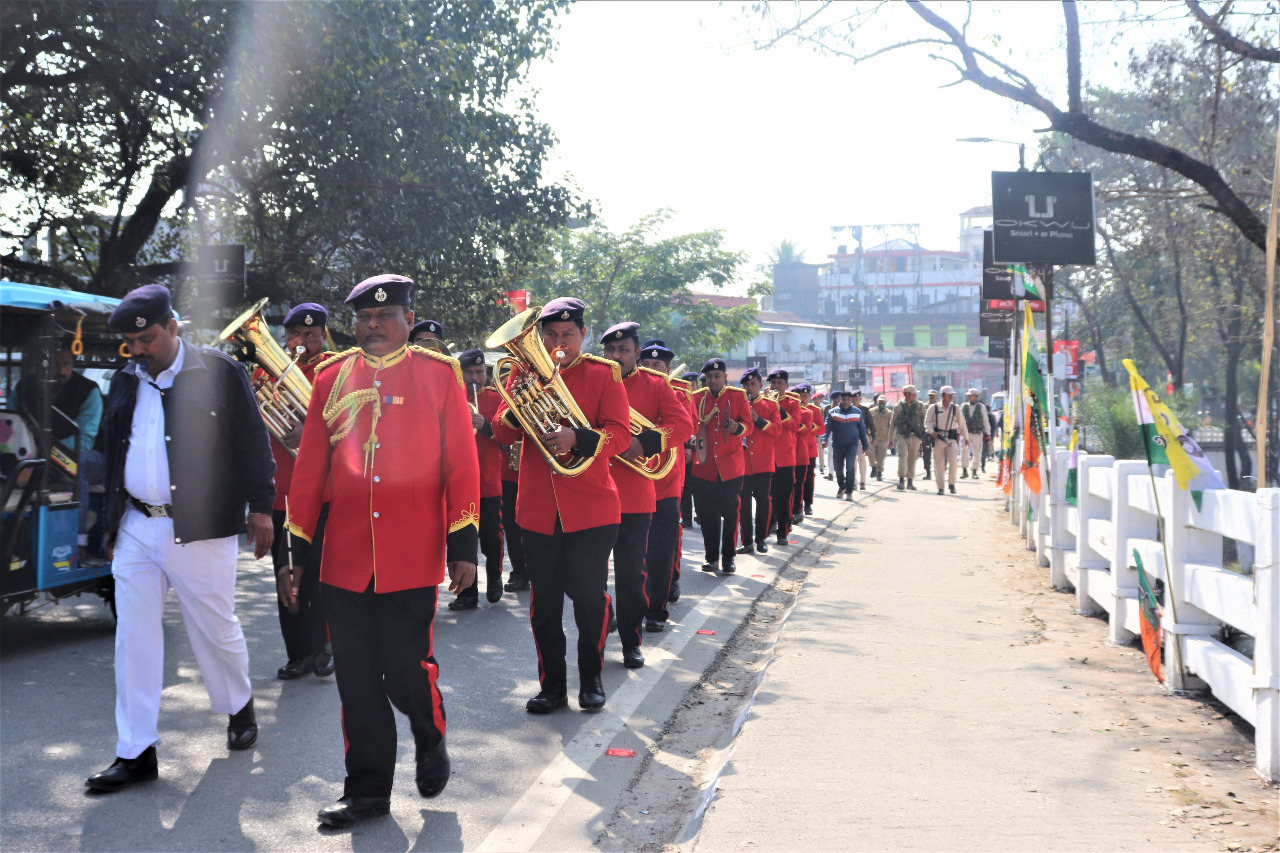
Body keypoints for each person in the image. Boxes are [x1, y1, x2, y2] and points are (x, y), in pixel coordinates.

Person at [285, 275, 478, 828]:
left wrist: (463, 543)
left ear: (406, 317)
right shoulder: (331, 376)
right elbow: (309, 470)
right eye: (364, 319)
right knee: (357, 679)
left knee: (403, 666)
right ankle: (367, 791)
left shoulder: (438, 374)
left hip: (411, 551)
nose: (373, 326)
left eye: (385, 316)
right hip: (343, 557)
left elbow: (461, 463)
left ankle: (429, 730)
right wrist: (295, 552)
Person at [86, 284, 275, 794]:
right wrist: (108, 526)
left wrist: (262, 507)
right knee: (134, 639)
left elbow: (253, 442)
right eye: (131, 343)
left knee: (215, 627)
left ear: (172, 326)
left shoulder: (219, 372)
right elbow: (112, 450)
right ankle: (135, 751)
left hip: (201, 526)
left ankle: (237, 705)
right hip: (136, 528)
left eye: (147, 338)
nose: (139, 350)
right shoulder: (126, 380)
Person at [490, 297, 631, 714]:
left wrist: (578, 438)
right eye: (549, 334)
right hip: (537, 510)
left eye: (567, 334)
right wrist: (518, 411)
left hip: (591, 509)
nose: (558, 342)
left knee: (589, 600)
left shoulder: (603, 374)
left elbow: (621, 436)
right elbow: (500, 431)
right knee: (545, 604)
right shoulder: (521, 373)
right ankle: (552, 686)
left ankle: (591, 679)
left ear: (583, 335)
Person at [600, 324, 693, 666]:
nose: (616, 356)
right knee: (583, 574)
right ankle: (602, 617)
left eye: (623, 349)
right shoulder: (592, 380)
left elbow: (684, 425)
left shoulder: (656, 385)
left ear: (636, 354)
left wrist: (644, 442)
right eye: (610, 350)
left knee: (630, 574)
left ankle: (629, 642)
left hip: (636, 495)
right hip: (592, 492)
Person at [262, 303, 334, 680]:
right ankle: (298, 653)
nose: (302, 341)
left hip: (322, 493)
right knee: (285, 576)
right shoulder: (267, 370)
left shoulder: (335, 370)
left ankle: (324, 645)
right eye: (295, 335)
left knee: (320, 574)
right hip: (281, 493)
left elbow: (348, 424)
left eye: (310, 334)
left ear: (323, 334)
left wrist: (310, 429)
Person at [17, 341, 105, 534]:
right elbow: (13, 424)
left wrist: (45, 452)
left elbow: (85, 438)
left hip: (93, 456)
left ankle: (76, 538)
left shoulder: (89, 391)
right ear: (44, 366)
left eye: (67, 364)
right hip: (36, 453)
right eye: (56, 364)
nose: (62, 370)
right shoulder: (25, 387)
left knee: (72, 464)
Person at [638, 340, 695, 621]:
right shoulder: (627, 390)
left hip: (666, 481)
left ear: (668, 369)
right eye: (646, 365)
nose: (652, 370)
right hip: (635, 479)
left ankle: (656, 611)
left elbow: (686, 427)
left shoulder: (680, 395)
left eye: (657, 366)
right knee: (635, 554)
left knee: (660, 552)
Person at [449, 348, 506, 610]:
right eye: (469, 372)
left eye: (480, 372)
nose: (475, 377)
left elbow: (509, 438)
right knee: (462, 541)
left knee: (492, 539)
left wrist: (486, 426)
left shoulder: (498, 398)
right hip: (458, 485)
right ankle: (466, 594)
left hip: (488, 483)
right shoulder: (451, 396)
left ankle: (494, 579)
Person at [690, 358, 753, 574]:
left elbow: (749, 427)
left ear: (725, 377)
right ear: (705, 379)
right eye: (709, 377)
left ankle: (728, 558)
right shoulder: (697, 398)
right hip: (704, 466)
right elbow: (689, 426)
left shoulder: (738, 396)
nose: (713, 380)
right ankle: (711, 558)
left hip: (731, 467)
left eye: (717, 376)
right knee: (708, 515)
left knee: (730, 512)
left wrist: (737, 427)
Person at [737, 367, 781, 553]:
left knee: (763, 501)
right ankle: (747, 542)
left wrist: (759, 420)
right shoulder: (738, 404)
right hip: (743, 464)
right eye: (746, 384)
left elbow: (778, 430)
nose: (749, 388)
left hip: (763, 462)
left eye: (753, 384)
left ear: (760, 385)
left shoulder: (771, 406)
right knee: (744, 503)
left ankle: (761, 539)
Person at [765, 369, 802, 546]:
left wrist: (778, 408)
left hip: (785, 457)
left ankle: (783, 531)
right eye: (773, 383)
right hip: (766, 456)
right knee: (767, 495)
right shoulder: (763, 400)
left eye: (780, 383)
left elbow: (795, 426)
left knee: (783, 497)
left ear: (786, 386)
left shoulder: (793, 402)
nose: (776, 386)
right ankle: (767, 528)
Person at [825, 391, 868, 500]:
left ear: (851, 400)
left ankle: (849, 492)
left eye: (848, 400)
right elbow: (827, 428)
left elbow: (862, 430)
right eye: (844, 399)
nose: (846, 402)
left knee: (850, 468)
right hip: (837, 445)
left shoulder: (857, 412)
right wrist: (824, 439)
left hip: (851, 445)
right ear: (840, 400)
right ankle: (841, 487)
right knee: (838, 469)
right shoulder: (832, 412)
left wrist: (865, 445)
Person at [925, 385, 962, 495]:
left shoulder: (956, 408)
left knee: (953, 461)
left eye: (952, 395)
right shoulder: (933, 408)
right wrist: (932, 432)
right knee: (939, 464)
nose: (951, 397)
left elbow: (962, 424)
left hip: (951, 439)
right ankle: (940, 487)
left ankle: (952, 484)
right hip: (938, 439)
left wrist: (966, 438)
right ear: (942, 395)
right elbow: (927, 422)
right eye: (949, 395)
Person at [889, 384, 925, 491]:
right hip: (902, 436)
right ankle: (901, 481)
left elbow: (925, 421)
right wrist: (891, 439)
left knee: (913, 458)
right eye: (914, 394)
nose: (915, 396)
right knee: (902, 456)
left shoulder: (921, 406)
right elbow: (892, 424)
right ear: (907, 394)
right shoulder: (898, 406)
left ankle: (910, 481)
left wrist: (925, 436)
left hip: (916, 436)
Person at [789, 384, 814, 524]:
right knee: (786, 487)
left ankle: (798, 510)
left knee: (798, 484)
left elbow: (805, 430)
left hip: (800, 455)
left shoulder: (806, 413)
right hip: (786, 455)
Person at [799, 385, 825, 514]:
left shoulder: (815, 410)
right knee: (797, 479)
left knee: (809, 478)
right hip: (797, 449)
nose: (803, 399)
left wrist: (810, 425)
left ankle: (808, 503)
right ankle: (797, 505)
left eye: (805, 396)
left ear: (809, 397)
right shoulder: (794, 409)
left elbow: (821, 429)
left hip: (809, 449)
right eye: (801, 396)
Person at [960, 388, 991, 480]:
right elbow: (960, 419)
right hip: (966, 433)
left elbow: (985, 420)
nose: (970, 397)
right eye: (969, 395)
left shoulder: (981, 407)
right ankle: (964, 470)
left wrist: (988, 433)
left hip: (978, 433)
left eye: (971, 395)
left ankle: (974, 471)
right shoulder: (964, 406)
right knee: (964, 452)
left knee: (977, 452)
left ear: (976, 396)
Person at [851, 390, 874, 490]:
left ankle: (863, 481)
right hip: (850, 438)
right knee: (852, 461)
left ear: (860, 399)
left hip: (862, 437)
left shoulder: (865, 410)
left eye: (857, 398)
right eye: (854, 398)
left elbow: (871, 424)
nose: (855, 400)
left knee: (862, 460)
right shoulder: (848, 409)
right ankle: (853, 482)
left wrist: (874, 437)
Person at [869, 394, 893, 481]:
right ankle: (873, 467)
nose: (881, 404)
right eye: (880, 402)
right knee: (870, 455)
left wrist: (891, 439)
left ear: (886, 403)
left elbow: (891, 427)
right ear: (877, 402)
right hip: (872, 437)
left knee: (881, 456)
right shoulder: (871, 411)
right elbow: (867, 424)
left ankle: (879, 472)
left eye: (883, 402)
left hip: (883, 437)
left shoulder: (889, 413)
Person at [922, 389, 939, 480]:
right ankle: (928, 472)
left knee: (938, 454)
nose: (931, 397)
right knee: (926, 454)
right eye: (930, 395)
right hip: (927, 433)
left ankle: (938, 472)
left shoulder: (939, 407)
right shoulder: (924, 407)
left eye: (933, 395)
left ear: (936, 397)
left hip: (937, 433)